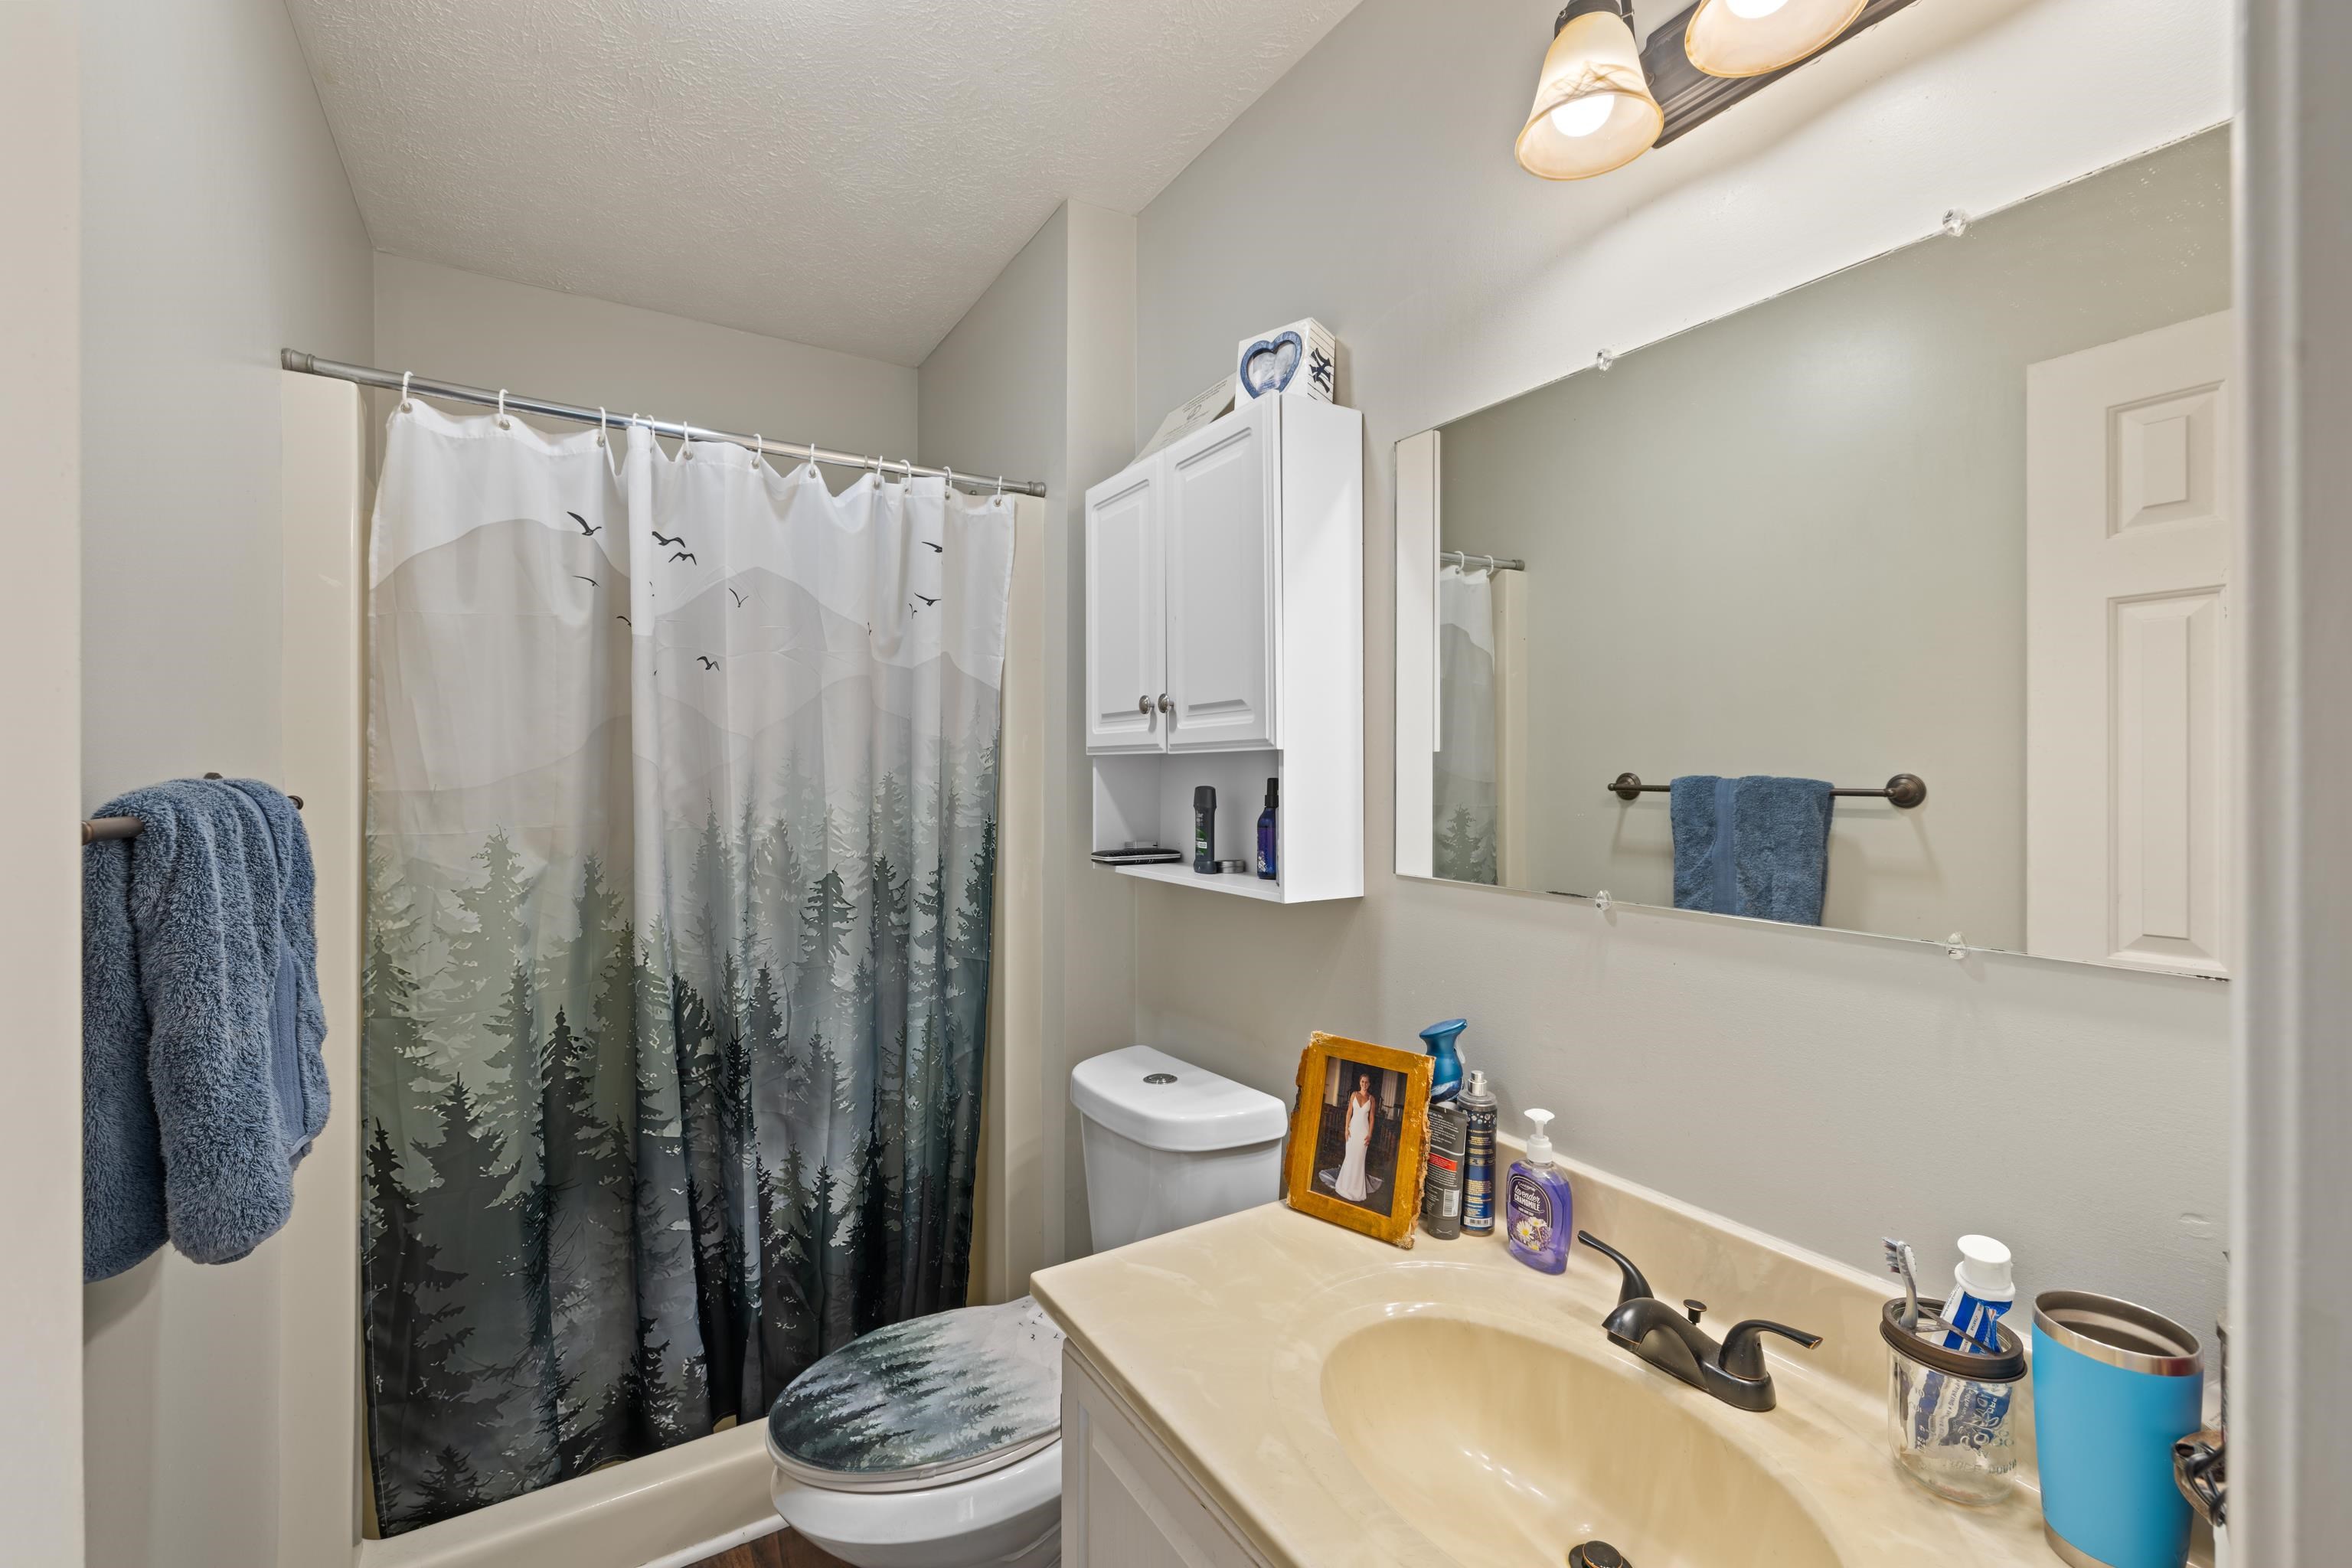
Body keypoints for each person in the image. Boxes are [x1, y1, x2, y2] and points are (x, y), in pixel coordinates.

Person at [1335, 1070, 1377, 1203]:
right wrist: (1346, 1129)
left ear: (1369, 1084)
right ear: (1360, 1082)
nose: (1364, 1084)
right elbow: (1349, 1112)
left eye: (1366, 1082)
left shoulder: (1372, 1099)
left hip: (1363, 1132)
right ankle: (1345, 1186)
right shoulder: (1354, 1094)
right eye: (1362, 1082)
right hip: (1353, 1130)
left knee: (1359, 1160)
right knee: (1350, 1157)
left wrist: (1370, 1134)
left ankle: (1356, 1190)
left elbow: (1372, 1118)